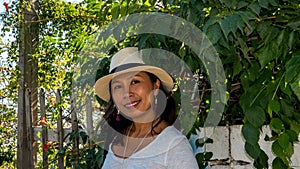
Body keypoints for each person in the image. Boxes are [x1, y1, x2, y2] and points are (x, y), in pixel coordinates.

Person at [94, 47, 198, 169]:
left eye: (135, 82)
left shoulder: (174, 145)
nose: (127, 93)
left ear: (155, 85)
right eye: (118, 86)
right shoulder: (118, 138)